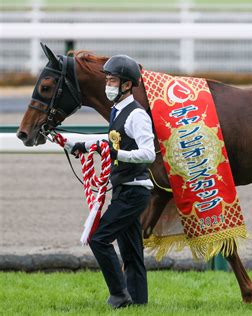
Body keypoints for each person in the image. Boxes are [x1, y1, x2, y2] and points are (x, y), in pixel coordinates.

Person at [69, 55, 155, 308]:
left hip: (134, 192)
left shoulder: (136, 115)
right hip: (125, 189)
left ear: (127, 85)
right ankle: (138, 302)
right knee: (131, 252)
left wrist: (117, 155)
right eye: (107, 79)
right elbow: (114, 142)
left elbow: (148, 153)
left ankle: (119, 295)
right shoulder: (117, 111)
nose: (108, 84)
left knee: (99, 239)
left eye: (113, 80)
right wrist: (84, 146)